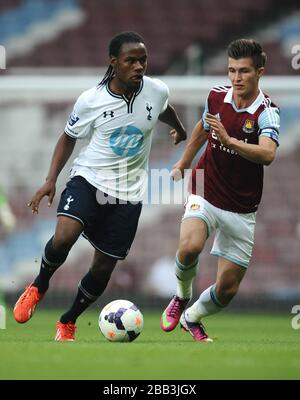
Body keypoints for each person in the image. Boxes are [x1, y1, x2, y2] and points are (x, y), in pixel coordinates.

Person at [13, 31, 186, 341]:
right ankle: (39, 285)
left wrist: (178, 128)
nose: (138, 67)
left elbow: (164, 109)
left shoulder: (156, 90)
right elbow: (68, 137)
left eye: (142, 60)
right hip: (89, 180)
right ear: (114, 62)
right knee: (65, 235)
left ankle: (68, 321)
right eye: (131, 61)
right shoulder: (92, 100)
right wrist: (51, 180)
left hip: (128, 193)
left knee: (103, 267)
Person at [160, 38, 280, 341]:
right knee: (189, 247)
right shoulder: (216, 97)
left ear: (260, 72)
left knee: (227, 289)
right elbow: (203, 126)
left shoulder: (267, 112)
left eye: (244, 72)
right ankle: (180, 296)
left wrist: (231, 143)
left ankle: (192, 317)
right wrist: (184, 162)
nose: (236, 78)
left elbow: (267, 154)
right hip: (206, 187)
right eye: (231, 71)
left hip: (242, 207)